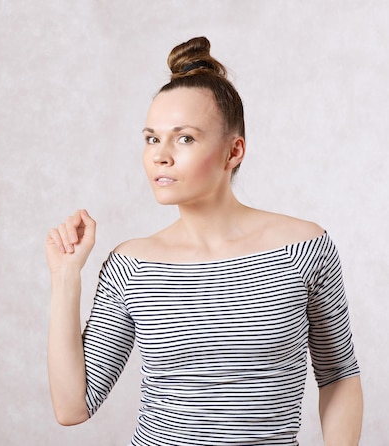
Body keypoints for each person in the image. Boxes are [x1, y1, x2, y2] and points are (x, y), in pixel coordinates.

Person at [45, 36, 362, 445]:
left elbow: (338, 377)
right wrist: (66, 275)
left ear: (234, 152)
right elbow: (73, 407)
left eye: (186, 138)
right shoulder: (130, 266)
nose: (161, 155)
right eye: (151, 138)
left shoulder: (304, 248)